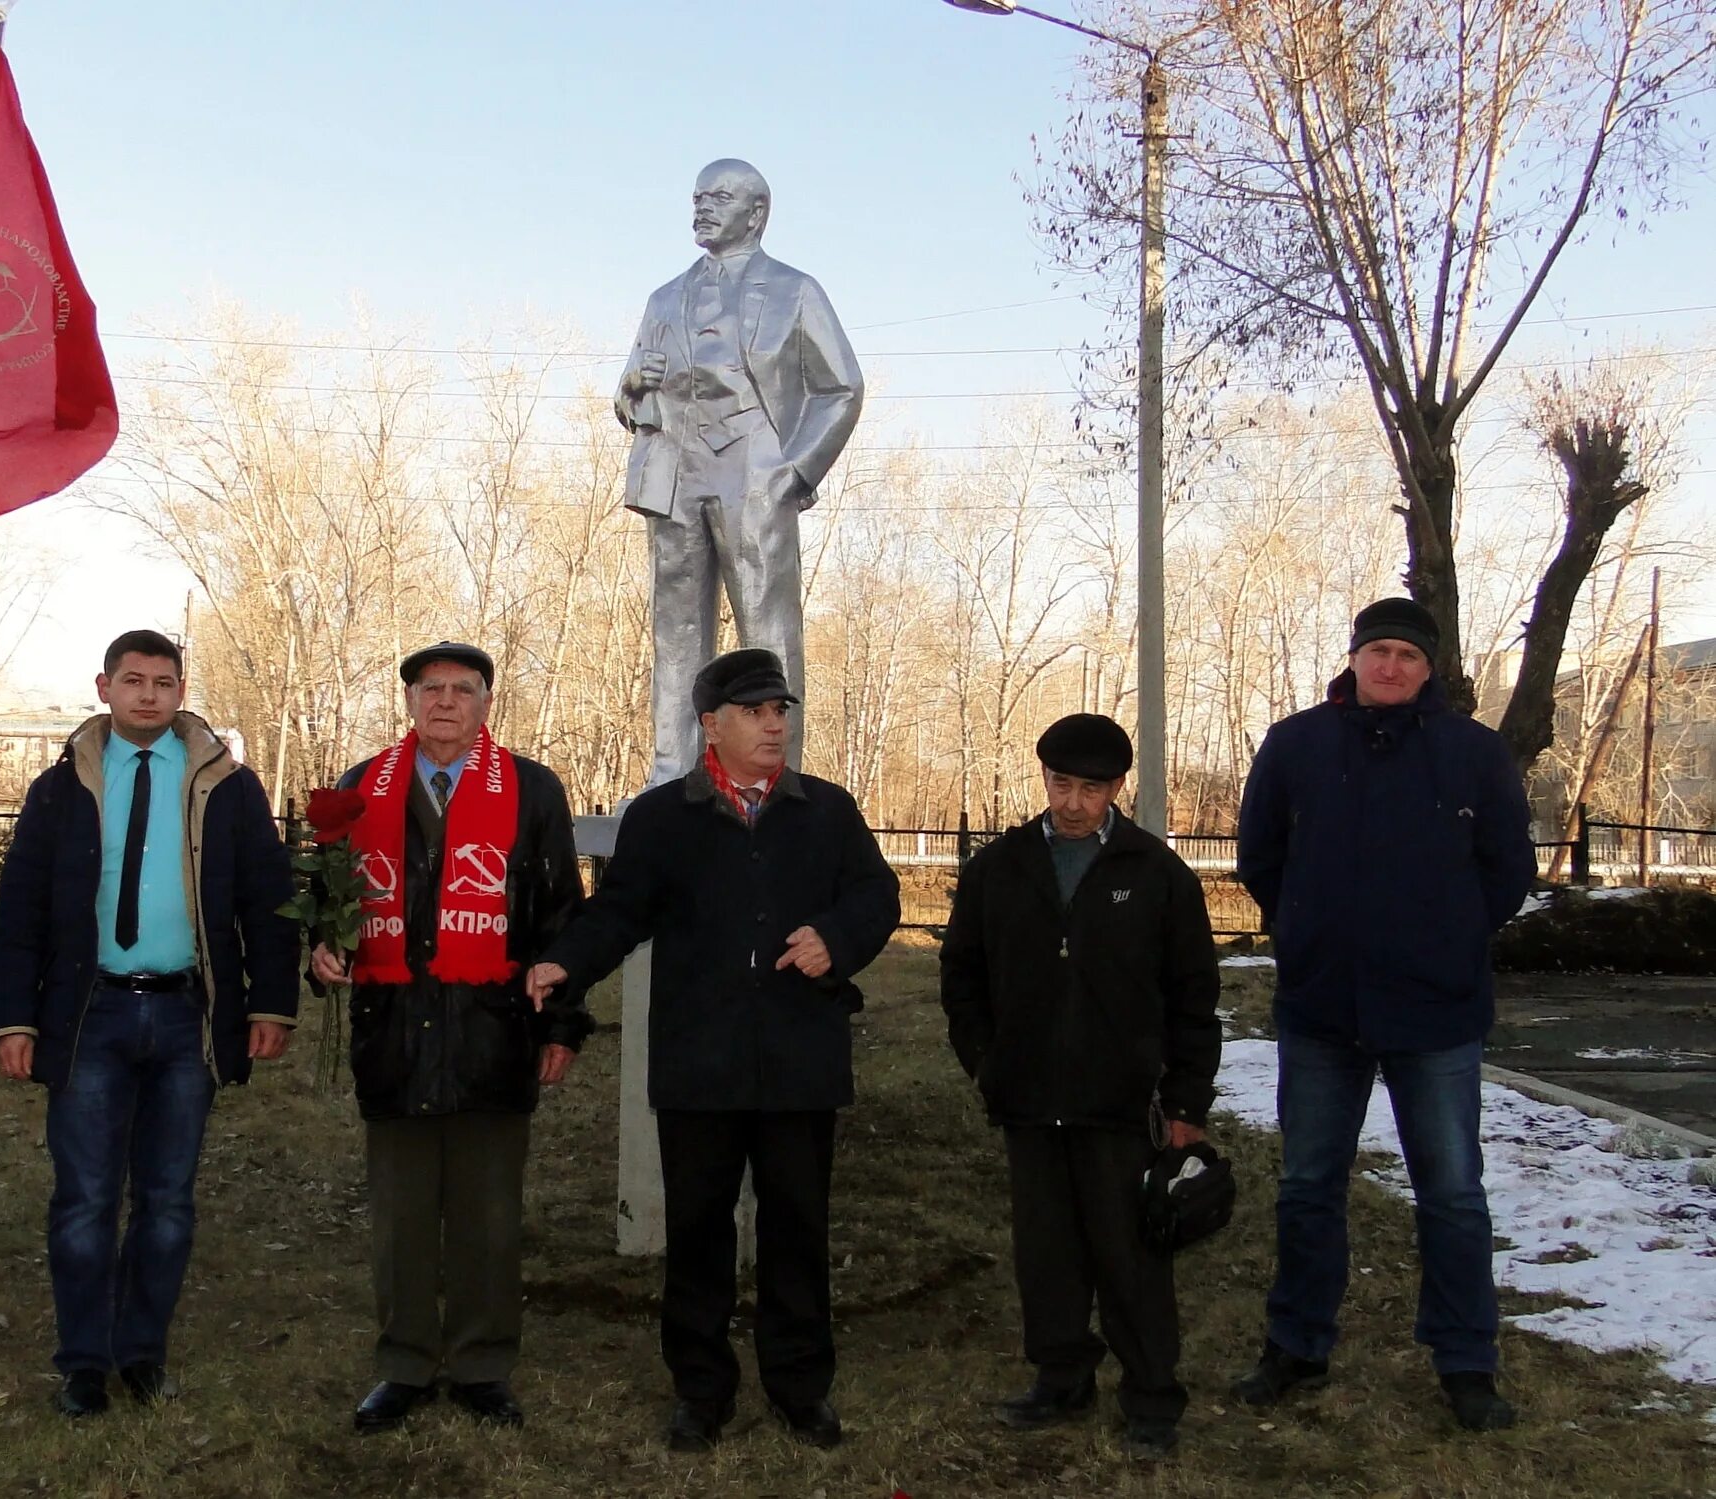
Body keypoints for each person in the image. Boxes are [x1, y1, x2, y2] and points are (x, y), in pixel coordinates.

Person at [528, 647, 900, 1452]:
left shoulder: (827, 811)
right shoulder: (664, 818)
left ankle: (801, 1387)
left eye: (781, 711)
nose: (775, 725)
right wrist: (567, 963)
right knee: (698, 1232)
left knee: (798, 1228)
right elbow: (619, 912)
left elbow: (878, 895)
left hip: (800, 1061)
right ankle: (701, 1389)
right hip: (701, 1063)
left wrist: (835, 938)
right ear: (712, 724)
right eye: (757, 712)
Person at [1233, 598, 1533, 1432]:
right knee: (1307, 1186)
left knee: (1452, 1194)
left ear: (1429, 666)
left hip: (1436, 1013)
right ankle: (1296, 1344)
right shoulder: (1297, 745)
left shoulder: (1473, 754)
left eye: (1406, 652)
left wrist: (1449, 934)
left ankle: (1467, 1362)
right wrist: (1306, 927)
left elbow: (1507, 868)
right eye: (1378, 651)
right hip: (1323, 1007)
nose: (1391, 666)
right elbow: (1261, 854)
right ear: (1354, 659)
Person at [0, 629, 299, 1417]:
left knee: (167, 1198)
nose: (148, 694)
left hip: (188, 1016)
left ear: (180, 690)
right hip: (91, 1012)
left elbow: (268, 900)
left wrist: (269, 1000)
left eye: (164, 681)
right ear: (105, 686)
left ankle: (142, 1353)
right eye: (133, 679)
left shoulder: (229, 788)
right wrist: (13, 1017)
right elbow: (19, 910)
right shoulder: (61, 789)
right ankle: (84, 1361)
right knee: (86, 1197)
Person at [309, 640, 594, 1435]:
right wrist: (322, 949)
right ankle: (403, 1361)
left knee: (488, 1212)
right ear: (407, 702)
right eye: (428, 688)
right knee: (400, 1213)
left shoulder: (532, 789)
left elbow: (560, 917)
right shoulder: (360, 786)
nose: (444, 702)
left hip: (493, 1031)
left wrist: (562, 1021)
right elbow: (327, 898)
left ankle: (481, 1363)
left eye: (462, 690)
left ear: (485, 705)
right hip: (394, 1030)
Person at [938, 713, 1220, 1460]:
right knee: (1047, 1252)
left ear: (1116, 789)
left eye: (1089, 788)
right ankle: (1060, 1377)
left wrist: (1186, 1102)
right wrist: (986, 1061)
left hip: (1124, 1106)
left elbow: (1194, 997)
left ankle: (1152, 1394)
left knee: (1131, 1256)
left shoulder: (1157, 874)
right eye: (1061, 783)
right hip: (1028, 1099)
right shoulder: (999, 868)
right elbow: (961, 974)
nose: (1071, 802)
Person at [617, 159, 865, 783]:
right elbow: (627, 400)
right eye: (697, 196)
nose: (701, 207)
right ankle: (672, 774)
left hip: (756, 474)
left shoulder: (795, 290)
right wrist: (633, 385)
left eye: (718, 198)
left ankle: (775, 778)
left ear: (756, 213)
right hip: (674, 477)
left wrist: (794, 471)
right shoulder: (664, 297)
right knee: (675, 631)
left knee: (767, 632)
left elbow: (842, 387)